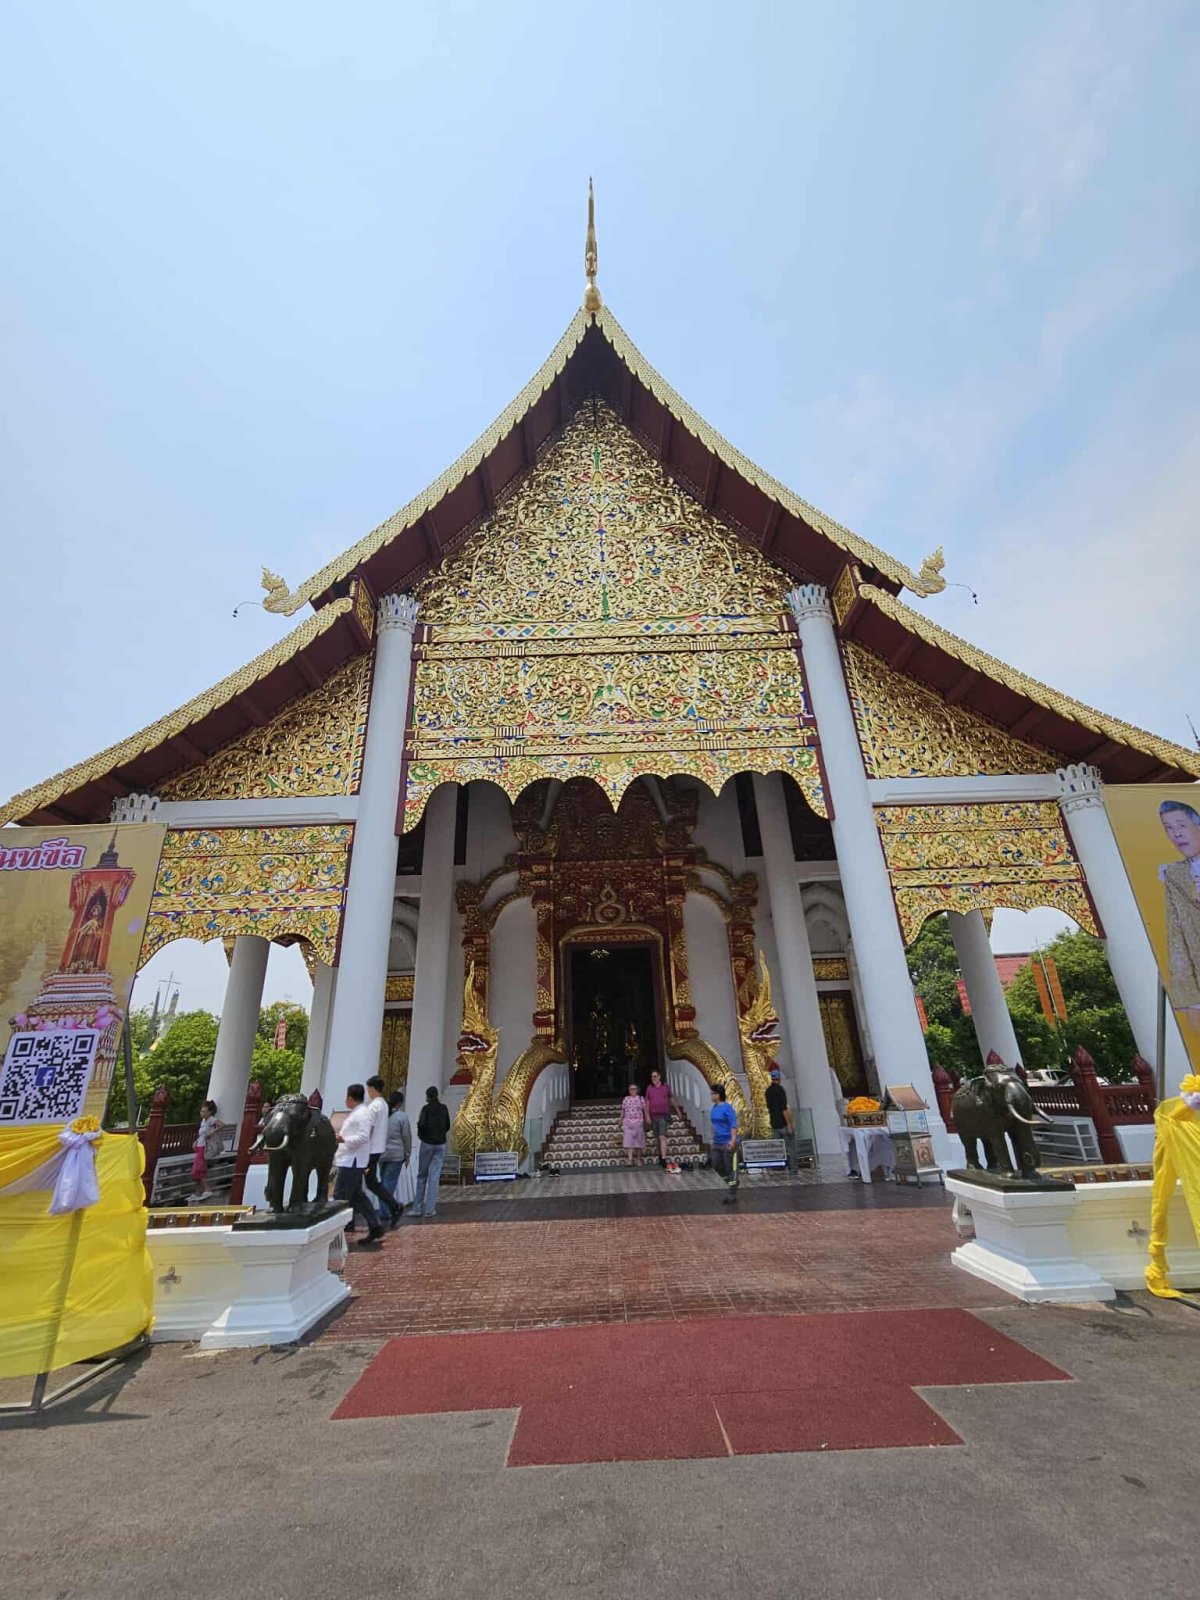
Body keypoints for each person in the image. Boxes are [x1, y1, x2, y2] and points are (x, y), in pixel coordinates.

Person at [333, 1083, 385, 1247]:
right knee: (356, 1195)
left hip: (353, 1161)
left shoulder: (362, 1114)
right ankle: (375, 1226)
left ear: (350, 1097)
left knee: (340, 1196)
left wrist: (343, 1139)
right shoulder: (358, 1112)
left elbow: (363, 1137)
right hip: (349, 1159)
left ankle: (335, 1232)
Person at [1160, 800, 1200, 1011]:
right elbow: (1176, 935)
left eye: (1181, 825)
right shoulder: (1174, 875)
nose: (1176, 834)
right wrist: (1190, 1000)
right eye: (1168, 828)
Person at [363, 1074, 403, 1228]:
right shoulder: (384, 1105)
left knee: (364, 1184)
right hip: (378, 1149)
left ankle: (385, 1210)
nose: (368, 1092)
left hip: (370, 1149)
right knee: (372, 1183)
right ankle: (393, 1206)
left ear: (373, 1088)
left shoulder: (374, 1106)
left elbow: (369, 1128)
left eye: (368, 1088)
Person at [411, 1085, 451, 1220]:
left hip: (427, 1143)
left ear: (427, 1096)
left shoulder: (426, 1109)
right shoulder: (444, 1108)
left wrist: (422, 1137)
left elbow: (421, 1124)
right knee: (434, 1177)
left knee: (422, 1175)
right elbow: (447, 1125)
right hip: (440, 1144)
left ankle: (417, 1208)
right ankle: (430, 1209)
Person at [380, 1089, 413, 1211]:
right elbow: (406, 1137)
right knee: (389, 1183)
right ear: (399, 1103)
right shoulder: (401, 1117)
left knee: (383, 1182)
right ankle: (385, 1211)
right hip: (396, 1155)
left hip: (382, 1153)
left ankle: (384, 1209)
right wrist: (407, 1154)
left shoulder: (382, 1116)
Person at [709, 1083, 739, 1203]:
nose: (711, 1096)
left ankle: (732, 1193)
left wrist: (733, 1140)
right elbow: (713, 1125)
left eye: (713, 1094)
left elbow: (733, 1125)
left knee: (729, 1167)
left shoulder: (727, 1108)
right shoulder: (714, 1108)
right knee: (716, 1165)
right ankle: (732, 1182)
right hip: (717, 1141)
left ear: (718, 1095)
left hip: (727, 1141)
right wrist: (712, 1139)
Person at [190, 1099, 225, 1202]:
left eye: (205, 1111)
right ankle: (198, 1192)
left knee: (198, 1170)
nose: (202, 1113)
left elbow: (222, 1125)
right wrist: (196, 1141)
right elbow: (201, 1134)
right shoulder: (203, 1121)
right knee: (197, 1171)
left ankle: (207, 1189)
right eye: (201, 1111)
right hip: (199, 1145)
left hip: (204, 1147)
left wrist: (212, 1131)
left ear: (210, 1112)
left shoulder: (211, 1119)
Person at [644, 1069, 678, 1170]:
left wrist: (677, 1110)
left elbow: (671, 1098)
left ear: (659, 1077)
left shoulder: (665, 1087)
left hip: (663, 1115)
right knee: (657, 1138)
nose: (653, 1078)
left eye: (655, 1076)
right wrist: (647, 1116)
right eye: (652, 1077)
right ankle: (660, 1155)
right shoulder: (649, 1088)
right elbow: (647, 1102)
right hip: (653, 1116)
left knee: (662, 1136)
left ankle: (663, 1158)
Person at [764, 1067, 796, 1171]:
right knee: (790, 1147)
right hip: (783, 1123)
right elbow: (783, 1108)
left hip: (774, 1123)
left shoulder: (768, 1091)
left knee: (778, 1149)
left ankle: (779, 1169)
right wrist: (789, 1124)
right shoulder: (780, 1090)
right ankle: (793, 1168)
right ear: (779, 1078)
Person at [620, 1081, 648, 1166]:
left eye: (634, 1089)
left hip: (638, 1123)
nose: (632, 1090)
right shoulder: (626, 1099)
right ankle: (629, 1160)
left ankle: (638, 1159)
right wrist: (620, 1120)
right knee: (628, 1141)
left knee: (638, 1142)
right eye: (631, 1089)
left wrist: (647, 1119)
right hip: (628, 1123)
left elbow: (645, 1110)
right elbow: (623, 1110)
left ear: (637, 1090)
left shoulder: (641, 1099)